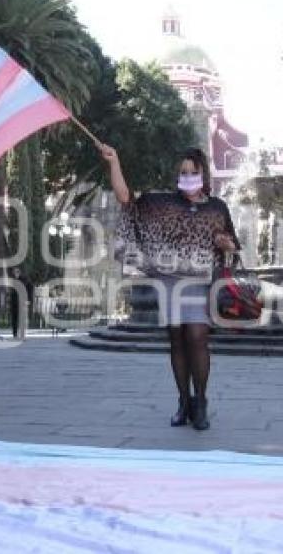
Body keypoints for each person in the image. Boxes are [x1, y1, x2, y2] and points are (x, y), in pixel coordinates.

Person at [102, 144, 239, 431]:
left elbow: (233, 247)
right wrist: (114, 162)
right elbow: (126, 199)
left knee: (198, 336)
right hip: (168, 280)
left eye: (193, 172)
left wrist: (225, 244)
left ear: (203, 174)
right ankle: (183, 401)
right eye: (183, 173)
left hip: (200, 280)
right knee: (177, 339)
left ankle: (200, 402)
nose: (187, 177)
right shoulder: (162, 202)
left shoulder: (217, 207)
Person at [9, 267, 34, 339]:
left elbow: (30, 289)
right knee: (14, 318)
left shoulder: (25, 279)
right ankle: (15, 334)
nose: (15, 274)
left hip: (22, 301)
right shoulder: (13, 280)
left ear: (19, 272)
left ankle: (22, 334)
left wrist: (29, 300)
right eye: (14, 272)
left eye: (17, 272)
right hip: (14, 302)